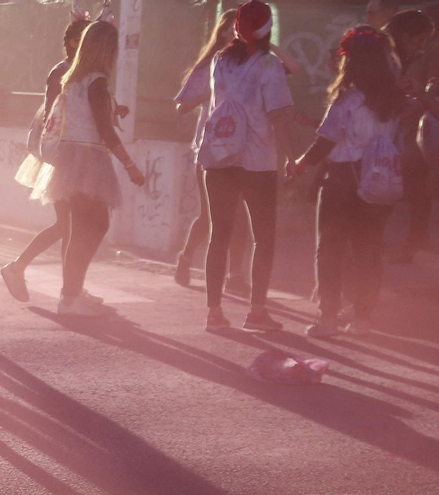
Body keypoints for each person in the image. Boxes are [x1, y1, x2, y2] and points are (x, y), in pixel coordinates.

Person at [286, 26, 408, 337]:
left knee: (330, 248)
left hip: (343, 179)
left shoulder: (348, 98)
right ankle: (363, 318)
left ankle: (327, 318)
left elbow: (326, 140)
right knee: (368, 250)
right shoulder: (395, 100)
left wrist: (300, 165)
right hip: (380, 179)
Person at [27, 20, 147, 317]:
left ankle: (72, 292)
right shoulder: (97, 82)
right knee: (90, 228)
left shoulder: (72, 79)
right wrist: (130, 165)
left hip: (71, 156)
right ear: (105, 50)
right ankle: (70, 297)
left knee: (84, 228)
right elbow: (105, 130)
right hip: (89, 158)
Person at [197, 0, 295, 333]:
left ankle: (214, 312)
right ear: (268, 29)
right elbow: (278, 115)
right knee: (263, 238)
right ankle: (256, 312)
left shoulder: (220, 60)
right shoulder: (269, 64)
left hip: (220, 156)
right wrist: (291, 156)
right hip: (258, 161)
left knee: (219, 234)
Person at [1, 14, 89, 301]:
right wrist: (54, 151)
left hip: (73, 151)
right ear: (74, 42)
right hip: (59, 152)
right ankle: (19, 267)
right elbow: (52, 114)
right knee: (67, 224)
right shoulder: (60, 72)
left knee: (70, 226)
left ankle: (69, 286)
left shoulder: (84, 72)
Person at [173, 10, 253, 291]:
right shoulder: (207, 66)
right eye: (228, 29)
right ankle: (185, 258)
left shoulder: (250, 65)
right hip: (209, 148)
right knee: (211, 216)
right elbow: (181, 106)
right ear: (220, 33)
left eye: (238, 30)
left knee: (240, 216)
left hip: (242, 149)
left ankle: (235, 276)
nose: (233, 35)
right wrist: (209, 93)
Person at [386, 9, 436, 260]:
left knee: (417, 188)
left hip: (410, 131)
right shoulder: (384, 57)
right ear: (405, 36)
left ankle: (415, 240)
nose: (422, 45)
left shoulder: (420, 57)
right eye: (419, 39)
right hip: (390, 131)